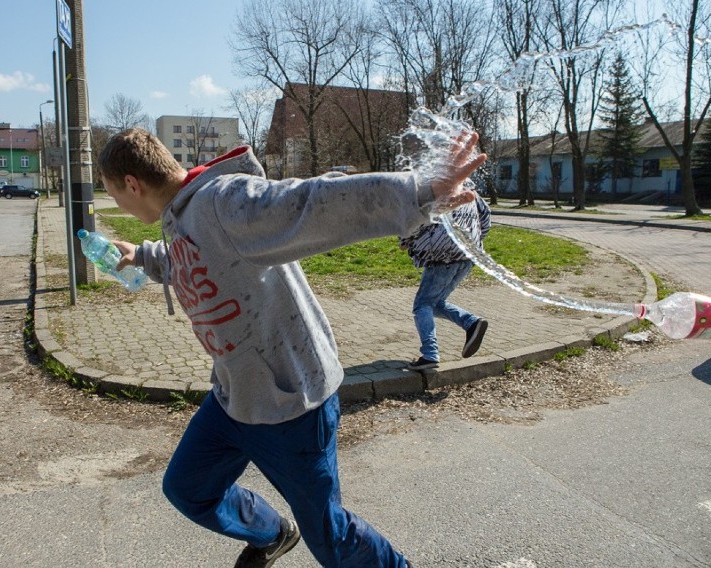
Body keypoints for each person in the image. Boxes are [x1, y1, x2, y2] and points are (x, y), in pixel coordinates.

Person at [96, 127, 486, 568]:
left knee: (332, 539)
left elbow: (310, 204)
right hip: (235, 399)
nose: (116, 204)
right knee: (188, 487)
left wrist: (419, 193)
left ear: (132, 184)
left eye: (112, 193)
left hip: (293, 403)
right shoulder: (181, 216)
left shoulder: (223, 202)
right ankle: (273, 534)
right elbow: (191, 260)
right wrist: (142, 256)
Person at [400, 192, 491, 370]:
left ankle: (430, 354)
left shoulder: (435, 189)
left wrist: (405, 240)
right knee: (434, 303)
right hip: (468, 254)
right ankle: (472, 323)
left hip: (443, 255)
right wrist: (473, 240)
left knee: (422, 305)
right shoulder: (471, 191)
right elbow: (486, 216)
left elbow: (420, 218)